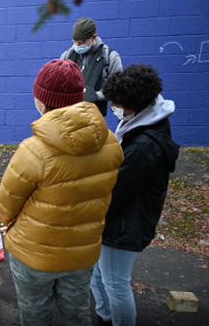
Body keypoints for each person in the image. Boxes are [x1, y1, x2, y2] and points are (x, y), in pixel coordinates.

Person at [0, 59, 123, 326]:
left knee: (35, 316)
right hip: (82, 253)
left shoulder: (33, 150)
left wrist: (8, 223)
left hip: (34, 255)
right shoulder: (111, 143)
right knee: (77, 315)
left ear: (41, 100)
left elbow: (7, 206)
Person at [91, 65, 179, 326]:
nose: (115, 108)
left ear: (134, 104)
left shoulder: (145, 145)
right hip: (119, 220)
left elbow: (115, 189)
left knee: (115, 284)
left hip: (124, 226)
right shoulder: (142, 122)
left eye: (118, 104)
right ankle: (105, 318)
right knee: (98, 276)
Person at [60, 17, 122, 116]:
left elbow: (118, 89)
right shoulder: (67, 56)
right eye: (74, 41)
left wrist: (95, 95)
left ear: (93, 37)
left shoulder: (109, 56)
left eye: (81, 42)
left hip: (94, 117)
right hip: (69, 115)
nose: (77, 45)